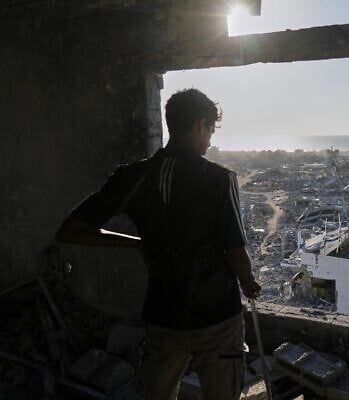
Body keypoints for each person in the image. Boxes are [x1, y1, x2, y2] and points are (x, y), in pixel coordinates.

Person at [56, 88, 260, 400]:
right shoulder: (218, 179)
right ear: (199, 126)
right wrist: (248, 283)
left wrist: (136, 243)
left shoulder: (133, 177)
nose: (210, 140)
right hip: (217, 316)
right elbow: (235, 252)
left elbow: (72, 230)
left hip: (164, 316)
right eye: (210, 130)